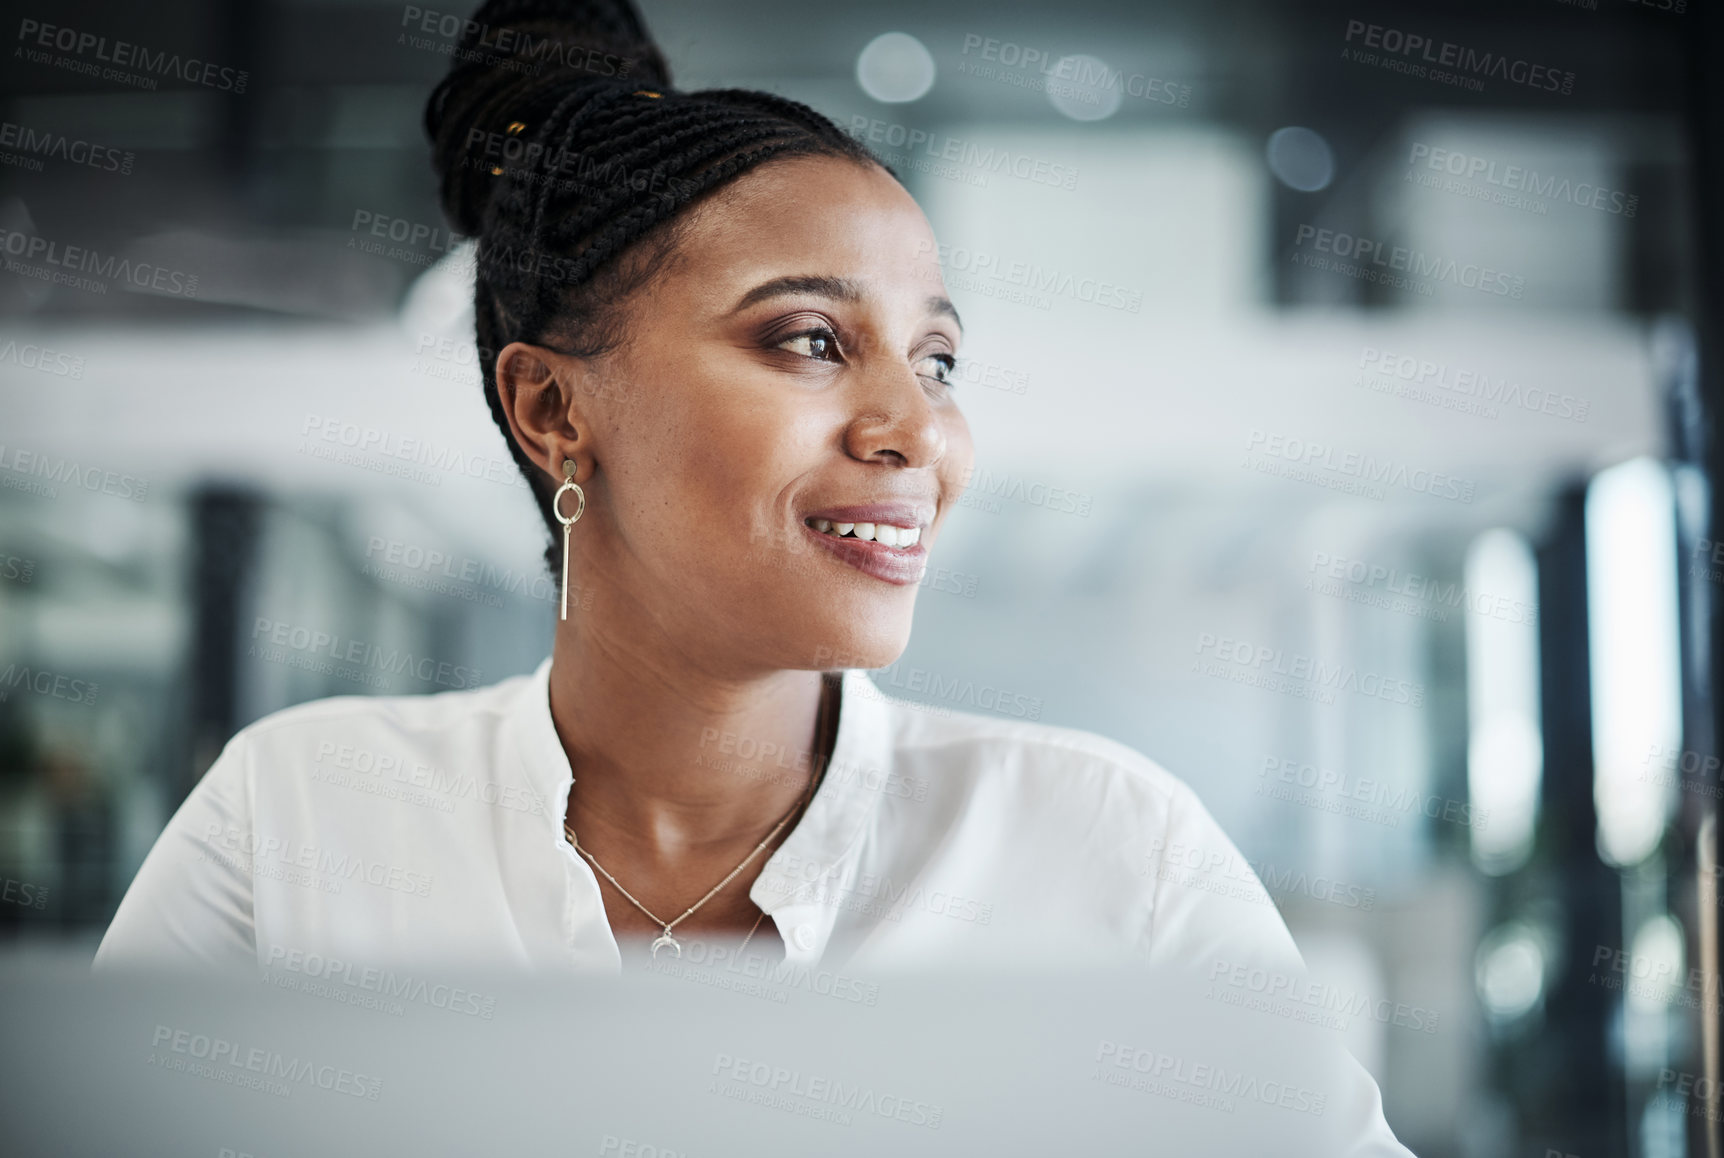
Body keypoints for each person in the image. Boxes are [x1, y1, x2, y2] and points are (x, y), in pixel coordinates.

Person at [93, 1, 1413, 1151]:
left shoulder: (1110, 851)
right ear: (553, 408)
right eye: (810, 339)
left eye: (937, 359)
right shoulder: (300, 819)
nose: (917, 429)